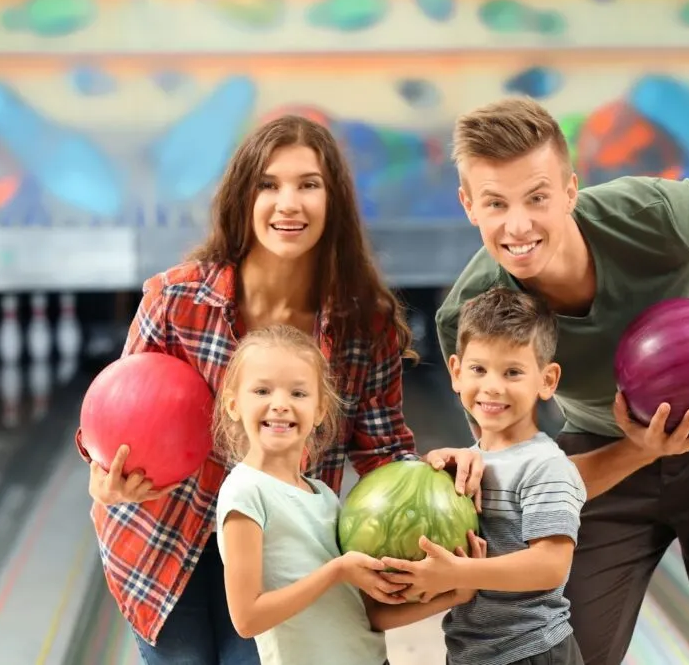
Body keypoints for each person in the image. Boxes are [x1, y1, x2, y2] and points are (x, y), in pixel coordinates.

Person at [76, 115, 484, 664]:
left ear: (332, 200)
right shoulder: (175, 300)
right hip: (165, 544)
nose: (287, 203)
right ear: (244, 198)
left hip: (282, 555)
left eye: (308, 184)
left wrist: (435, 473)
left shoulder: (367, 327)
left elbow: (384, 454)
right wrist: (107, 476)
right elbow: (112, 417)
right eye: (268, 184)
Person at [430, 97, 689, 665]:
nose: (518, 225)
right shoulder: (470, 317)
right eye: (495, 202)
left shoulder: (653, 214)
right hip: (604, 445)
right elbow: (524, 467)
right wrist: (635, 448)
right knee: (559, 644)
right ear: (469, 205)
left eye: (537, 197)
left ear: (570, 191)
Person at [213, 325, 487, 664]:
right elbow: (247, 618)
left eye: (298, 394)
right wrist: (337, 571)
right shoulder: (245, 492)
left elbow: (368, 616)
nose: (280, 404)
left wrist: (456, 593)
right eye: (262, 391)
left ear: (320, 411)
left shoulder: (324, 496)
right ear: (233, 404)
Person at [383, 287, 587, 665]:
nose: (493, 386)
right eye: (479, 369)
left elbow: (550, 566)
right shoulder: (468, 461)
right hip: (471, 650)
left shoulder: (546, 466)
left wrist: (459, 572)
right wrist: (429, 470)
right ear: (457, 372)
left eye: (512, 372)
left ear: (547, 380)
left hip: (533, 651)